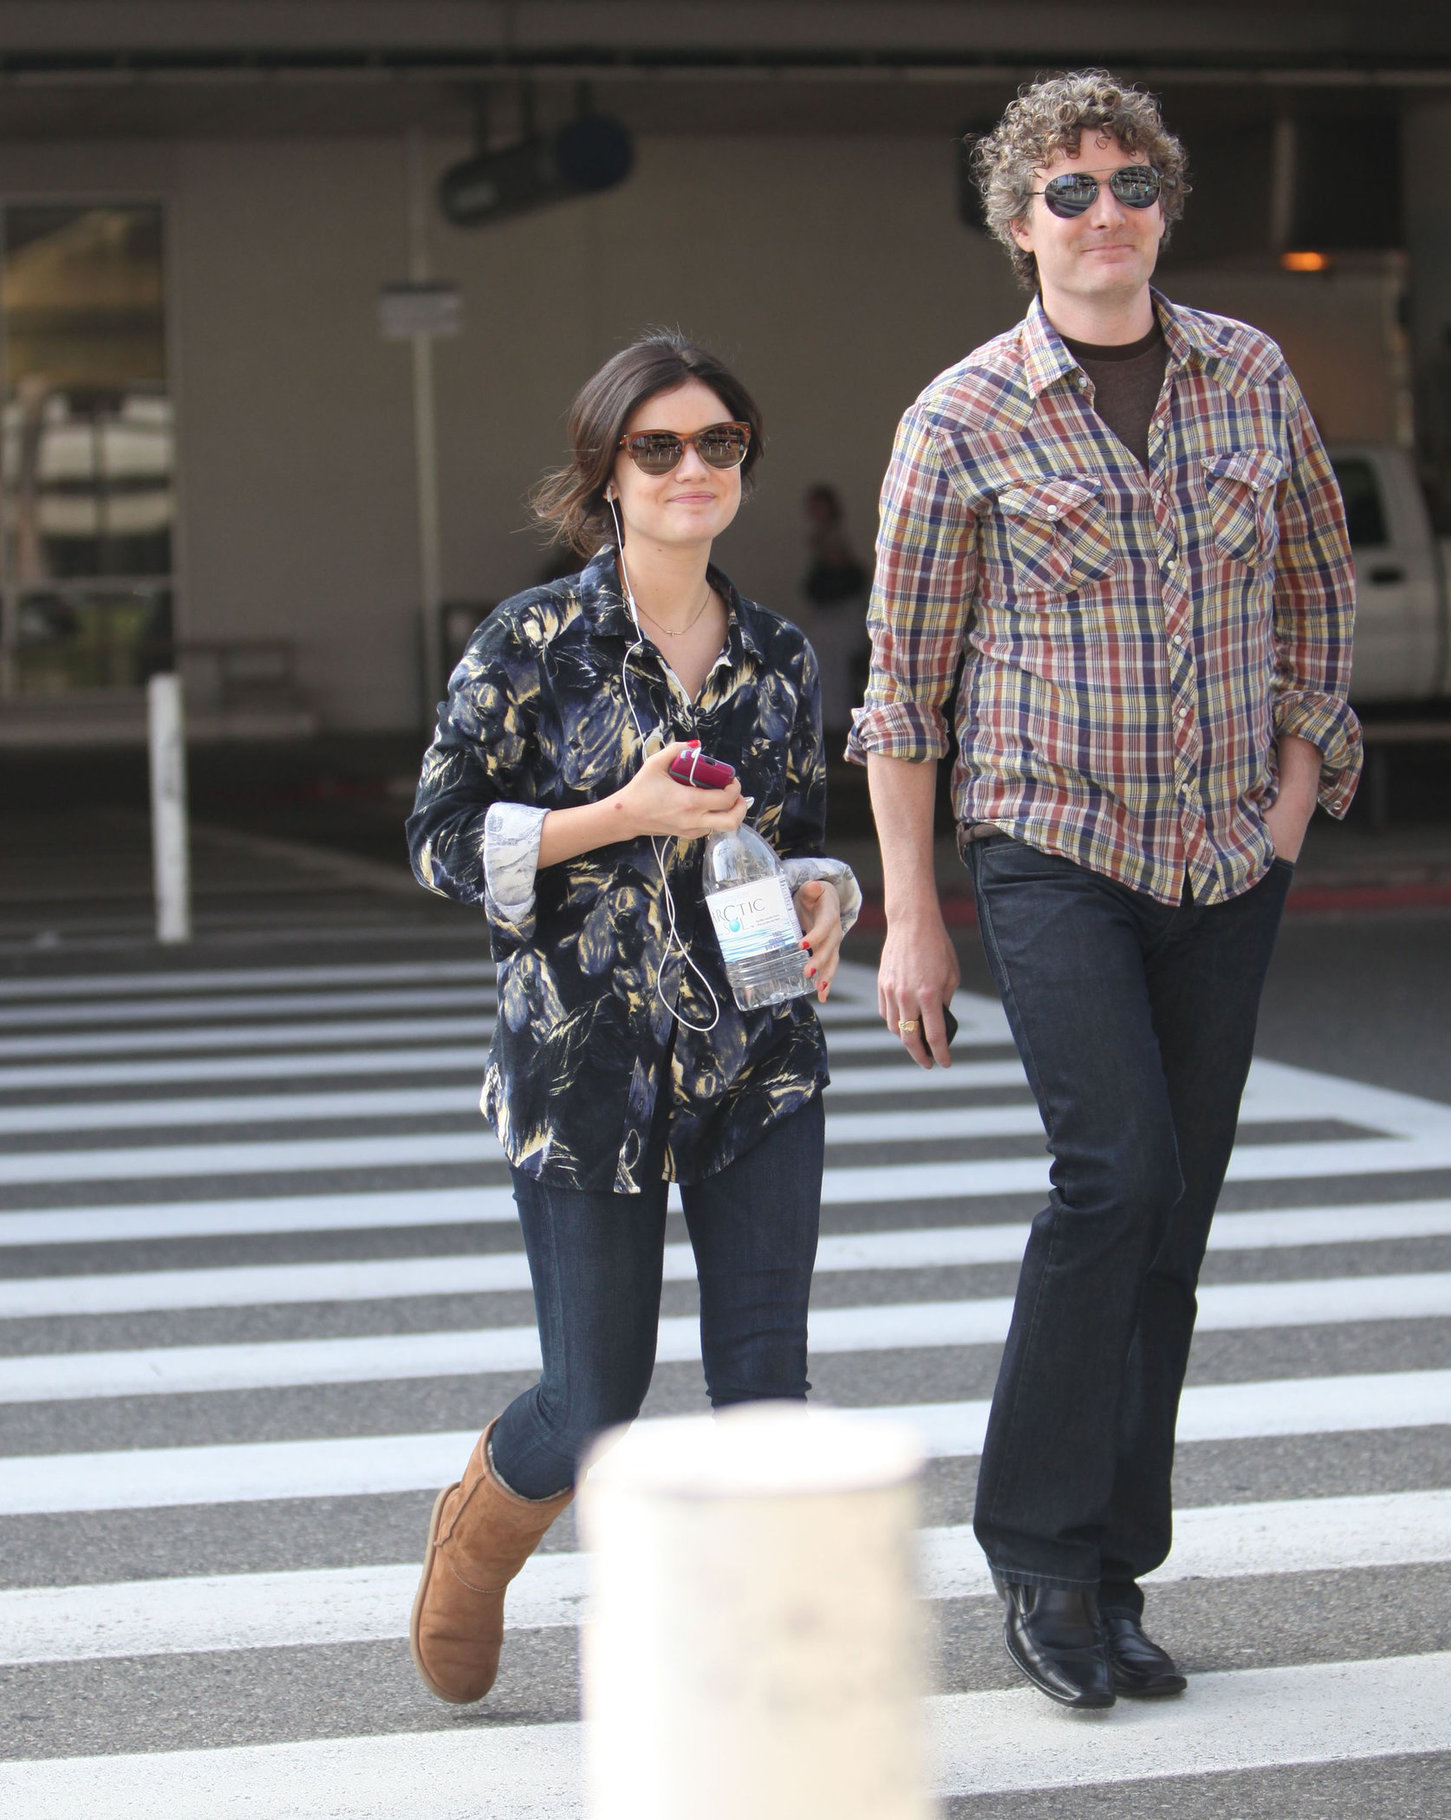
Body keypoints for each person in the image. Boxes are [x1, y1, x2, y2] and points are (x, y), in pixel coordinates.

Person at [848, 71, 1360, 1708]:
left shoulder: (1249, 375)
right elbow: (901, 689)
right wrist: (910, 914)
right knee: (1111, 1179)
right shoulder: (960, 421)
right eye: (1064, 192)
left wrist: (1290, 799)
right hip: (1054, 854)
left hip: (1225, 859)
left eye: (1125, 183)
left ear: (1162, 205)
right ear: (1018, 228)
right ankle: (1035, 1557)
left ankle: (1113, 1569)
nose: (1101, 213)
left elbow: (1313, 590)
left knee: (1173, 1223)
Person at [405, 332, 860, 1706]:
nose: (689, 470)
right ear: (606, 469)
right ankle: (475, 1544)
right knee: (596, 1407)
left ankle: (757, 1701)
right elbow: (434, 841)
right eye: (656, 447)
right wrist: (619, 815)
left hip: (755, 1059)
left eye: (716, 445)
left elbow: (801, 843)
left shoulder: (776, 655)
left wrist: (825, 900)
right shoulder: (532, 642)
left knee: (765, 1399)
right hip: (581, 1064)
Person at [800, 482, 870, 740]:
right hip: (828, 615)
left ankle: (839, 727)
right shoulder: (822, 535)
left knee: (837, 672)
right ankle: (831, 725)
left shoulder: (835, 536)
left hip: (842, 615)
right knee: (823, 668)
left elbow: (844, 565)